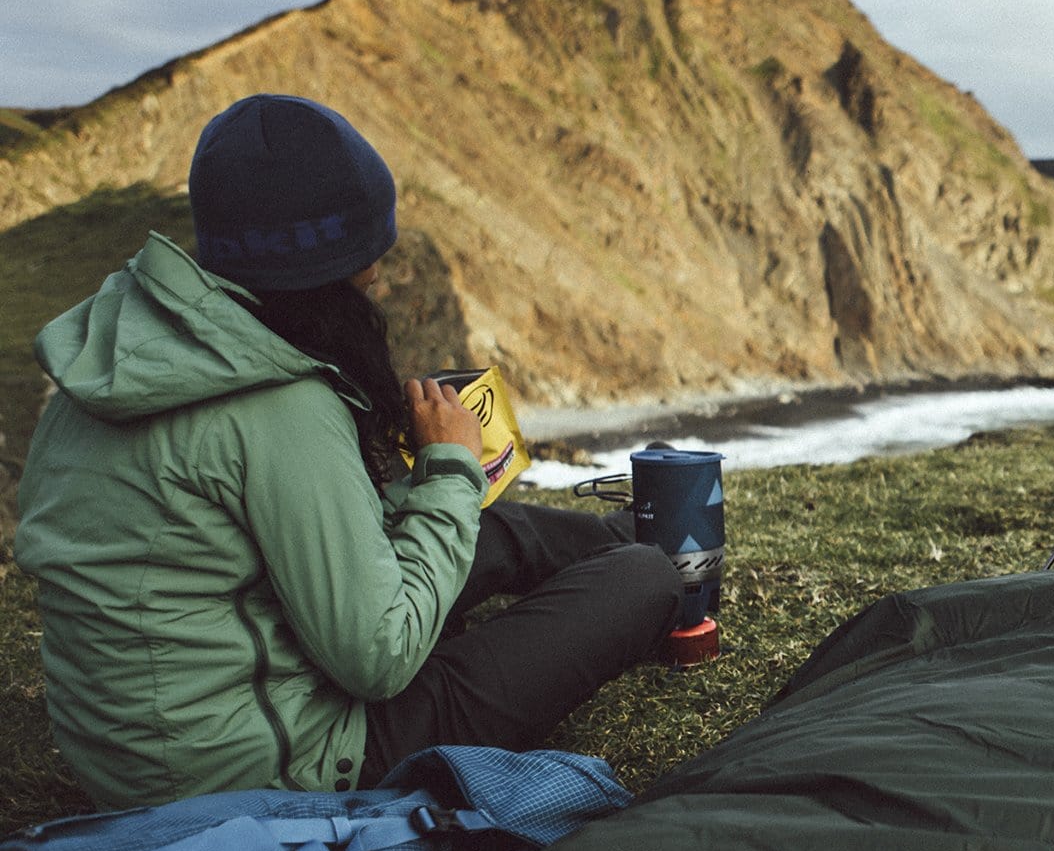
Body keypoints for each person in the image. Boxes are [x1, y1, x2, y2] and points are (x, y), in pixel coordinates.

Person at [14, 93, 680, 809]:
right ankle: (663, 562)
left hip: (140, 756)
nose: (382, 281)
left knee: (494, 532)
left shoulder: (123, 361)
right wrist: (452, 464)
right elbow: (380, 656)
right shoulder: (278, 407)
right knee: (641, 581)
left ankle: (631, 534)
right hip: (271, 776)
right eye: (369, 264)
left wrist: (419, 488)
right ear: (323, 270)